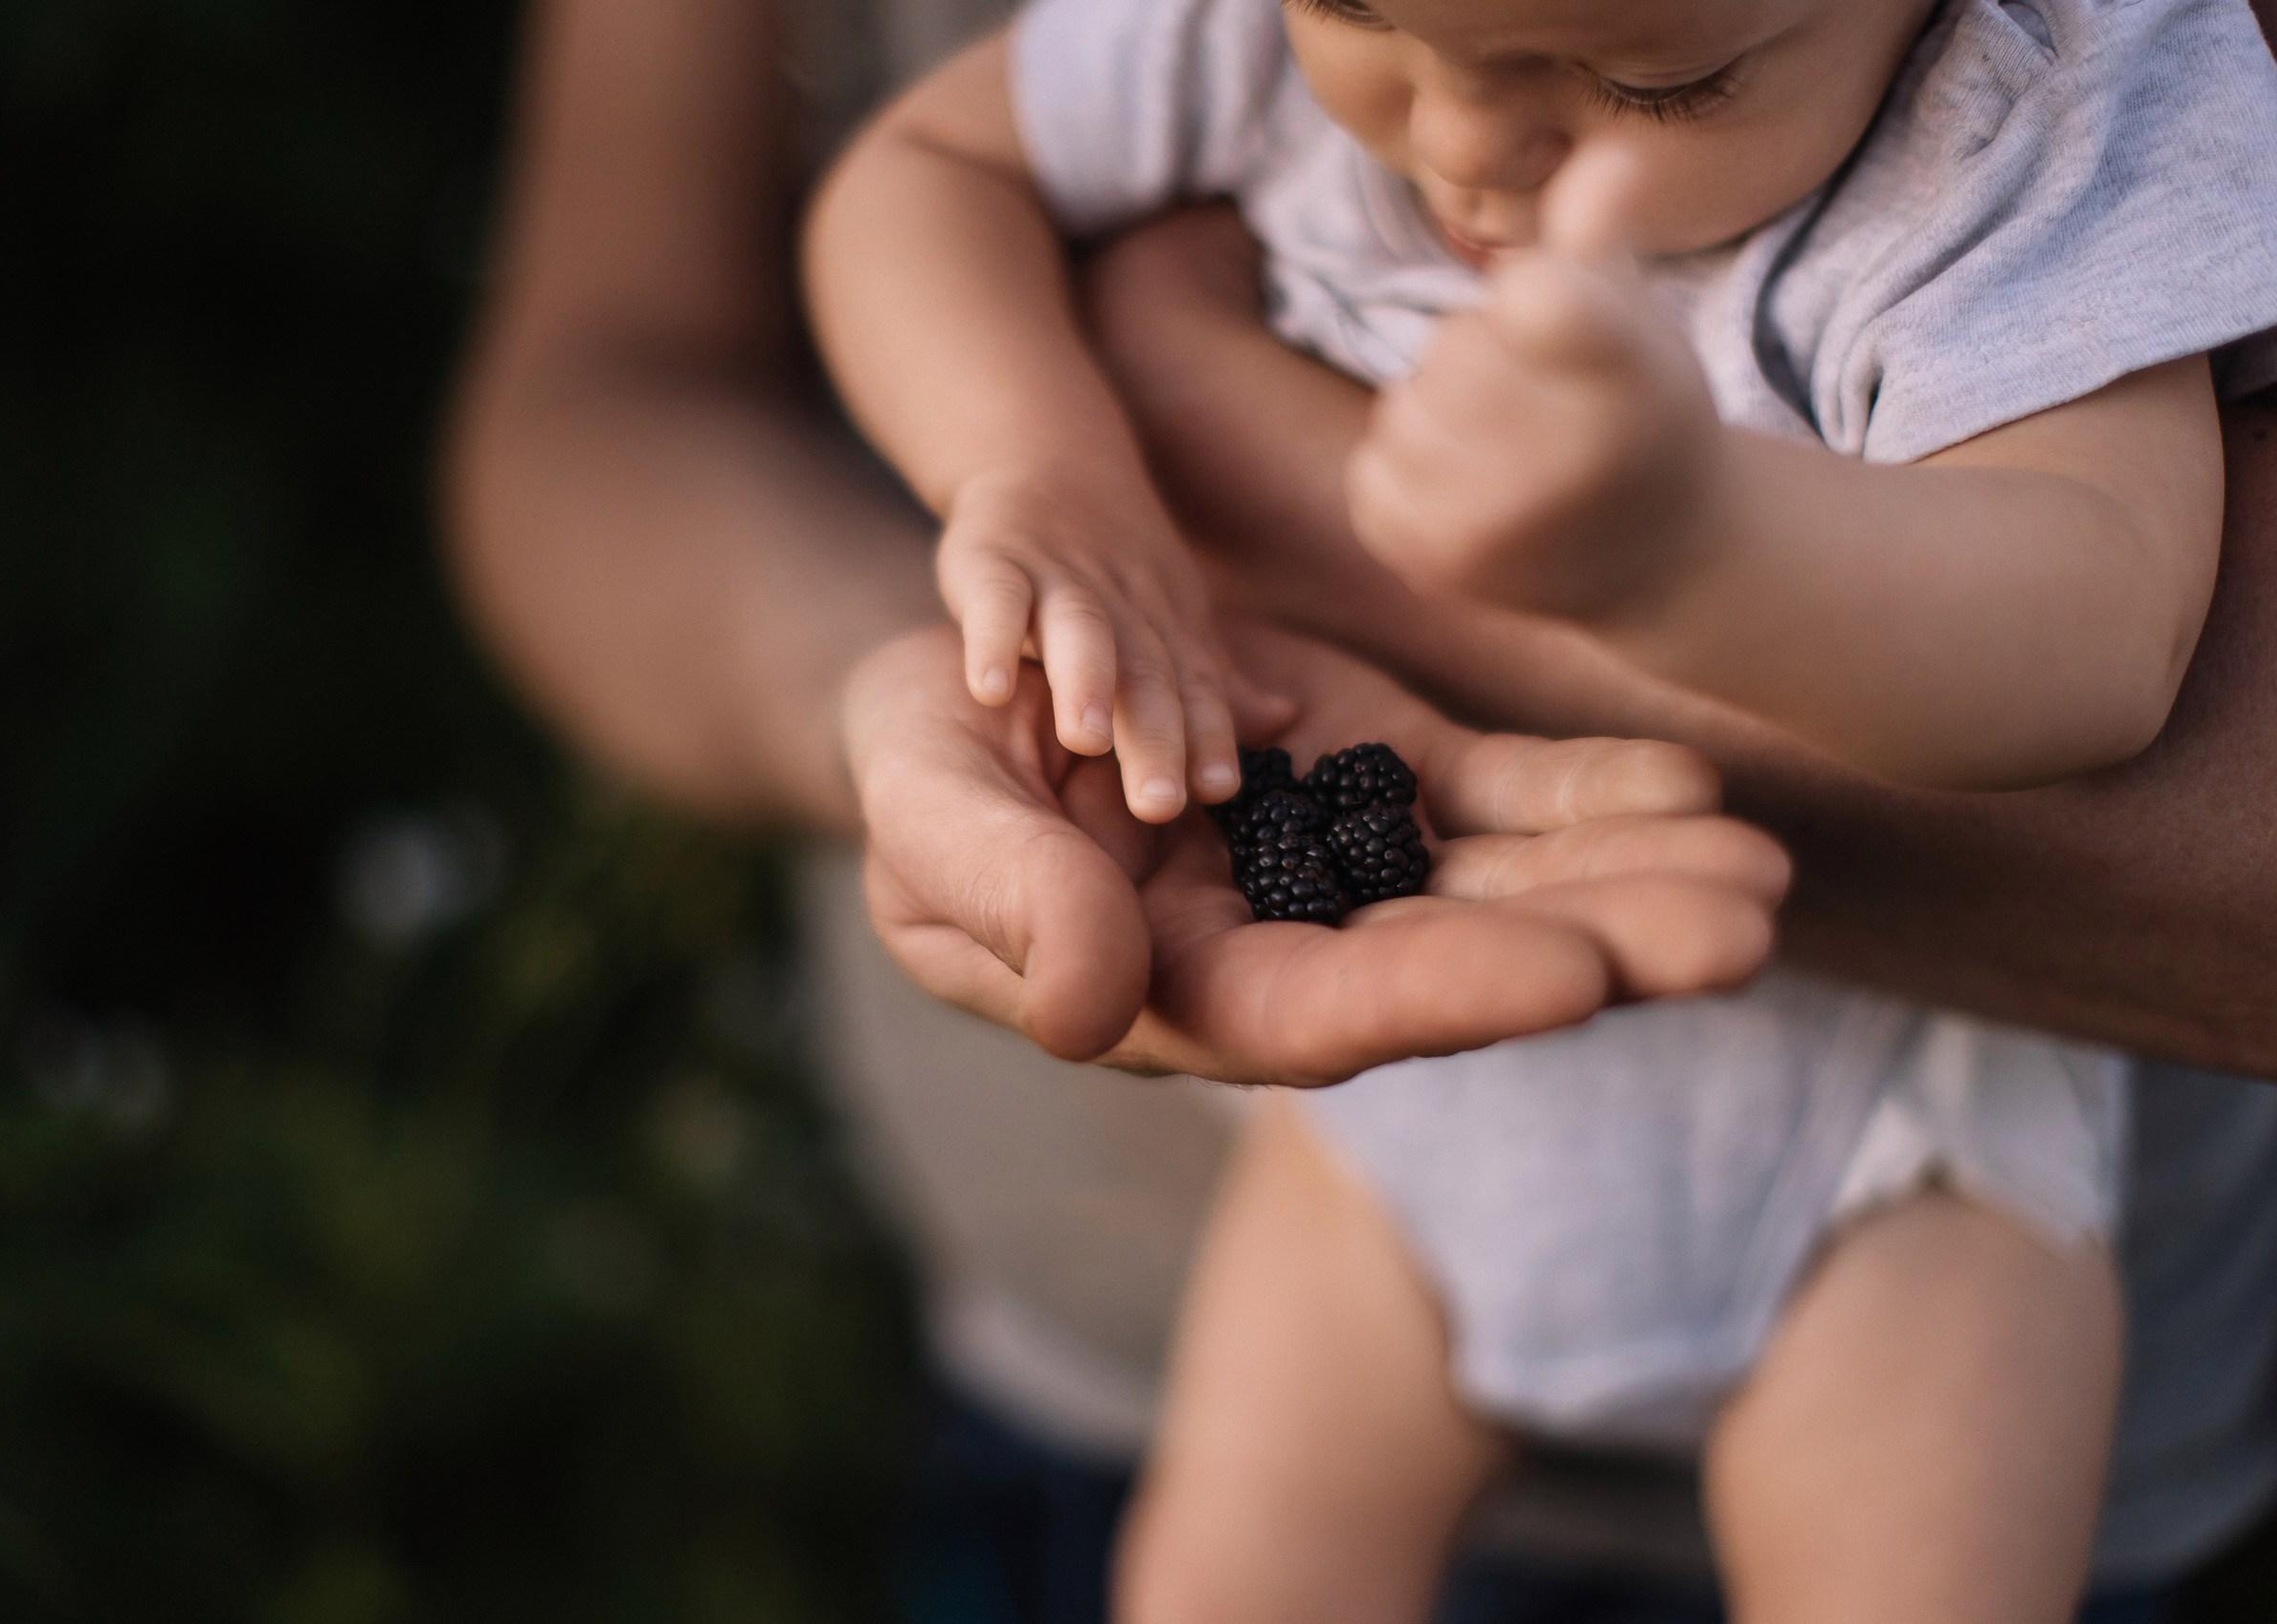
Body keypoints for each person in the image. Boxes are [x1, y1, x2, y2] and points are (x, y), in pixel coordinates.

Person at [442, 0, 2277, 1615]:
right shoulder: (1231, 37)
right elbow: (925, 173)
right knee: (1231, 1577)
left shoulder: (2041, 114)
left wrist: (1694, 548)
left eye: (1665, 83)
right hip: (1386, 1144)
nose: (1466, 138)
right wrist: (1037, 464)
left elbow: (2104, 621)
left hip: (1901, 1158)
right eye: (1361, 20)